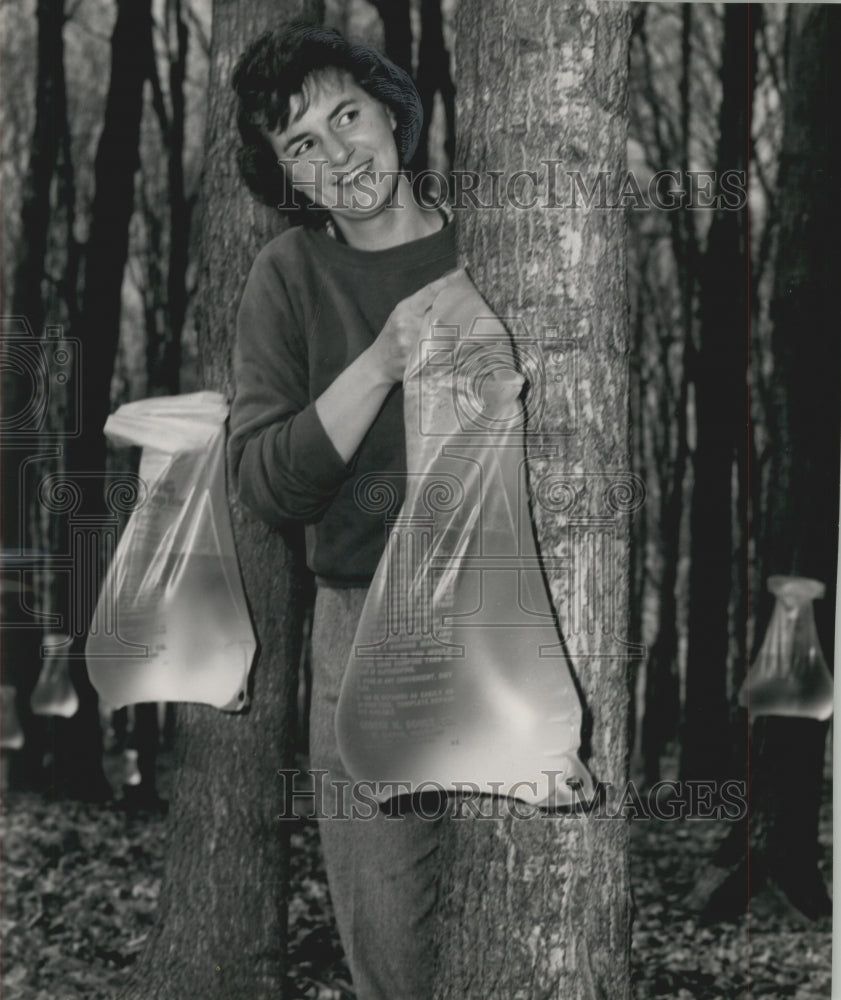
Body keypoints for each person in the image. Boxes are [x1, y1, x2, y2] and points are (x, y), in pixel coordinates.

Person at [227, 22, 458, 1000]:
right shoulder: (289, 276)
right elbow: (266, 479)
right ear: (286, 176)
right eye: (302, 143)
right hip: (365, 625)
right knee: (396, 961)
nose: (339, 152)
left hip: (514, 614)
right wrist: (381, 360)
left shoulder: (495, 247)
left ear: (391, 112)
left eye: (347, 115)